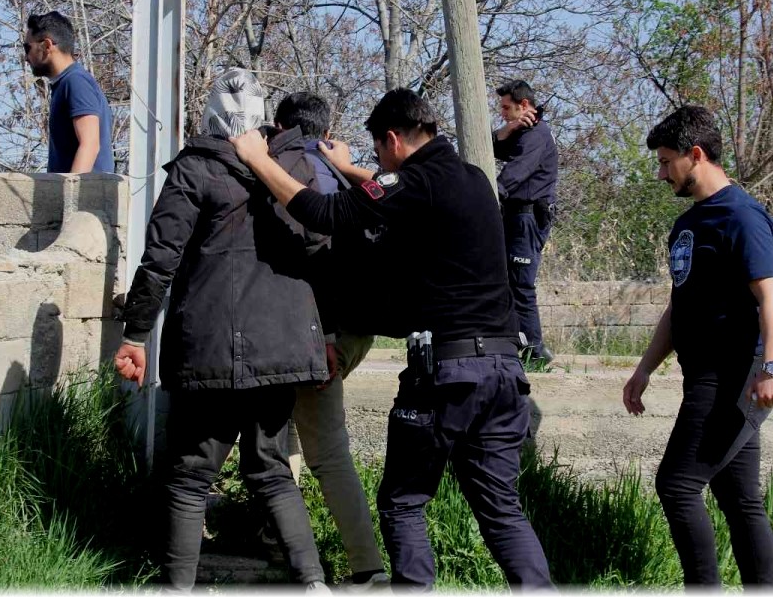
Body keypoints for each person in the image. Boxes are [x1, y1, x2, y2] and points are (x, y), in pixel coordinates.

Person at [228, 88, 553, 590]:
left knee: (403, 502)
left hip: (447, 374)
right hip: (505, 371)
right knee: (501, 508)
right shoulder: (473, 179)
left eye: (378, 151)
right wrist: (354, 170)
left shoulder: (414, 181)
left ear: (393, 140)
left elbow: (327, 214)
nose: (377, 162)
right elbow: (399, 193)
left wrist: (257, 159)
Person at [113, 68, 329, 592]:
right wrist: (325, 336)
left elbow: (161, 258)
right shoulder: (295, 166)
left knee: (191, 475)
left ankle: (177, 588)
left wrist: (135, 335)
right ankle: (313, 583)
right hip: (282, 345)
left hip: (210, 347)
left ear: (209, 116)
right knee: (270, 468)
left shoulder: (195, 168)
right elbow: (322, 245)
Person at [621, 105, 773, 588]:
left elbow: (771, 295)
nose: (661, 174)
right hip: (702, 373)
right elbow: (680, 307)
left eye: (665, 162)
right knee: (739, 498)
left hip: (732, 375)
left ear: (695, 154)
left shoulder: (741, 216)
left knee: (676, 486)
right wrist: (644, 368)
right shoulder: (689, 224)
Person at [271, 91, 389, 589]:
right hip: (359, 329)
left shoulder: (293, 172)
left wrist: (325, 336)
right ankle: (279, 535)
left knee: (327, 451)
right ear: (326, 131)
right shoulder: (342, 173)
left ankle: (367, 569)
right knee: (295, 430)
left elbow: (313, 255)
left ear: (280, 128)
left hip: (324, 333)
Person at [491, 80, 558, 364]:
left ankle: (535, 352)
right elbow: (488, 148)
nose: (503, 113)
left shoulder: (536, 136)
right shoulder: (524, 131)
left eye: (507, 108)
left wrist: (483, 196)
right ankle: (517, 345)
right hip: (516, 216)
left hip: (527, 217)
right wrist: (508, 129)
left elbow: (514, 174)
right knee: (508, 282)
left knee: (521, 284)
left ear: (524, 105)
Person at [23, 11, 114, 173]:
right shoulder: (65, 83)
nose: (26, 57)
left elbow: (90, 145)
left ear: (47, 46)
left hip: (87, 189)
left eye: (27, 48)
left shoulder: (75, 81)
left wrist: (71, 189)